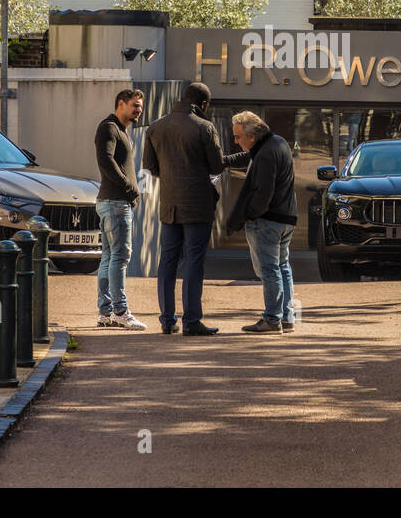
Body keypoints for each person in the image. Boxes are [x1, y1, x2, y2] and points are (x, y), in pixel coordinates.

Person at [143, 82, 225, 335]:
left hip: (169, 204)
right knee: (193, 261)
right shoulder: (204, 127)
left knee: (167, 260)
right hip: (198, 205)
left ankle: (167, 320)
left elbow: (151, 168)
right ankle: (191, 321)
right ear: (203, 105)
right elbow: (217, 166)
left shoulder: (155, 127)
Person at [225, 111, 298, 334]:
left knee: (269, 270)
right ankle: (286, 317)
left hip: (268, 221)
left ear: (252, 136)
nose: (236, 142)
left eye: (238, 137)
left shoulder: (265, 154)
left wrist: (249, 214)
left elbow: (263, 193)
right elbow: (250, 159)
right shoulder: (278, 143)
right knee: (282, 267)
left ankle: (272, 319)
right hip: (286, 218)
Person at [93, 88, 146, 330]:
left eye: (140, 106)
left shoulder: (120, 130)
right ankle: (120, 311)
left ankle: (106, 313)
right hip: (115, 203)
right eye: (135, 105)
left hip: (112, 202)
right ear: (121, 104)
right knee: (120, 256)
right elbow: (106, 161)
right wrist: (129, 188)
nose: (138, 109)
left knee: (109, 256)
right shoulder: (109, 127)